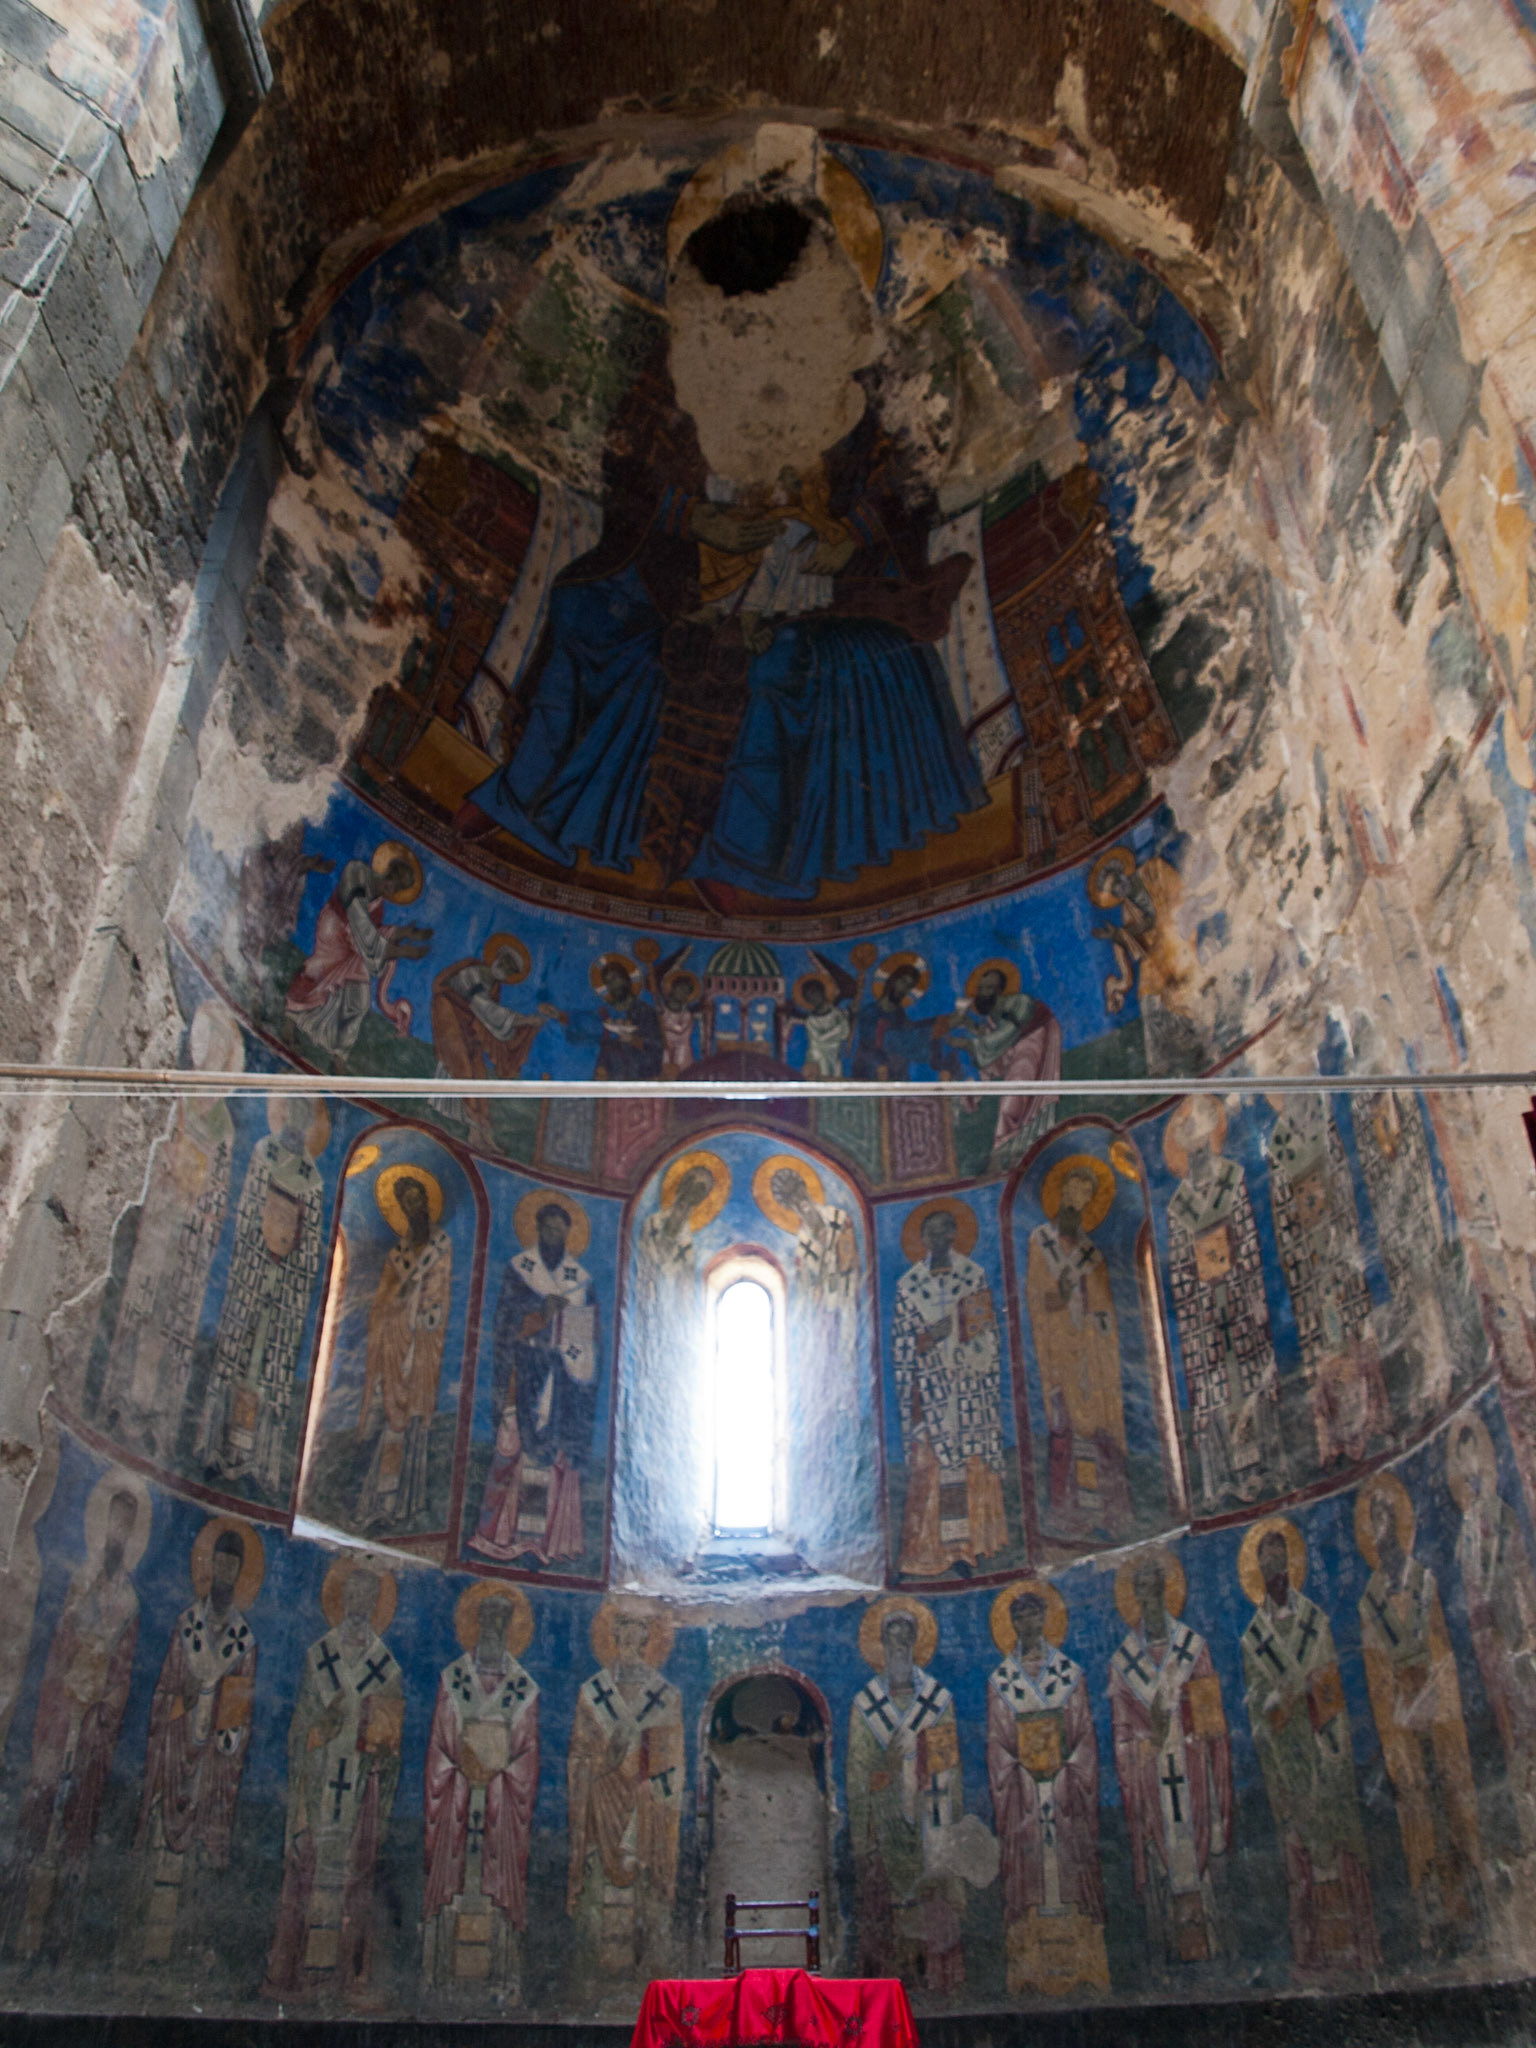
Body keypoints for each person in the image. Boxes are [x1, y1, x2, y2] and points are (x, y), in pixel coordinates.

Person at [452, 185, 981, 900]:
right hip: (690, 567)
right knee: (584, 608)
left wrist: (849, 535)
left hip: (825, 585)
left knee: (782, 662)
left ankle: (745, 859)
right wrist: (696, 520)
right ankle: (529, 800)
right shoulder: (676, 370)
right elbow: (629, 470)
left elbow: (907, 483)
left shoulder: (863, 384)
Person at [5, 1482, 143, 1959]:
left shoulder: (131, 1605)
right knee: (36, 1819)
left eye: (128, 1527)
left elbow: (123, 1671)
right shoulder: (78, 1581)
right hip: (60, 1718)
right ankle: (11, 1932)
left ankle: (56, 1947)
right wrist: (65, 1705)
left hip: (91, 1734)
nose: (118, 1535)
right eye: (115, 1523)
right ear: (103, 1525)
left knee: (77, 1830)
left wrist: (102, 1709)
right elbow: (56, 1651)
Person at [1238, 1521, 1379, 1979]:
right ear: (1258, 1569)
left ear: (1291, 1563)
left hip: (1323, 1750)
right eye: (1267, 1559)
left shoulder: (1315, 1621)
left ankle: (1359, 1951)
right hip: (1286, 1758)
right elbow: (1255, 1704)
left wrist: (1328, 1742)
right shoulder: (1252, 1640)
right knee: (1298, 1857)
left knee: (1338, 1847)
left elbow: (1331, 1685)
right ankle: (1312, 1959)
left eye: (1281, 1556)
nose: (1275, 1566)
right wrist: (1273, 1707)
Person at [263, 1564, 404, 2005]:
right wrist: (320, 1727)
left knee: (351, 1881)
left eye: (368, 1596)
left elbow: (389, 1749)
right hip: (317, 1788)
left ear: (376, 1604)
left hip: (358, 1790)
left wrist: (380, 1752)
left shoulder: (386, 1668)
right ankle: (294, 1977)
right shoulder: (317, 1656)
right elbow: (299, 1729)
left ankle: (343, 1979)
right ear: (342, 1599)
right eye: (354, 1594)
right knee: (307, 1874)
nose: (359, 1604)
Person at [1356, 1476, 1484, 1952]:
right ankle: (1434, 1924)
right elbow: (1374, 1671)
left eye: (1387, 1519)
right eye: (1375, 1523)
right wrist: (1400, 1713)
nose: (1382, 1531)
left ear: (1402, 1525)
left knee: (1456, 1803)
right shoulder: (1368, 1602)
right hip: (1403, 1728)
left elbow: (1442, 1648)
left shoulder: (1425, 1582)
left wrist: (1434, 1695)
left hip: (1438, 1712)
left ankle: (1474, 1910)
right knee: (1416, 1814)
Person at [135, 1522, 260, 1963]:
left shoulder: (245, 1642)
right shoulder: (185, 1626)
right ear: (209, 1568)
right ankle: (143, 1953)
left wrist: (225, 1738)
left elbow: (239, 1712)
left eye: (233, 1566)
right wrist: (179, 1702)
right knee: (160, 1857)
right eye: (220, 1563)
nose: (225, 1573)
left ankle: (185, 1957)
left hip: (211, 1765)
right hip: (176, 1754)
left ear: (241, 1573)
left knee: (198, 1866)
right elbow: (163, 1691)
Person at [1107, 1552, 1231, 1971]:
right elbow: (1121, 1736)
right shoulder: (1123, 1664)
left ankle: (1214, 1946)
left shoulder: (1193, 1649)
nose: (1149, 1596)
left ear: (1166, 1590)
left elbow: (1212, 1721)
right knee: (1164, 1864)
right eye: (1141, 1589)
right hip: (1152, 1780)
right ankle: (1170, 1959)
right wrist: (1146, 1747)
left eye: (1155, 1587)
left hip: (1193, 1770)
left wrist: (1187, 1738)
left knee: (1200, 1862)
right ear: (1134, 1598)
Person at [986, 1581, 1108, 1997]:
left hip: (1063, 1792)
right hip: (1025, 1798)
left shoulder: (1070, 1675)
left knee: (1072, 1869)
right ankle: (1030, 1971)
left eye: (1035, 1614)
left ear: (1046, 1618)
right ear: (1012, 1624)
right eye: (1019, 1616)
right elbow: (997, 1748)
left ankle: (1084, 1965)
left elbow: (1086, 1738)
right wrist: (1025, 1776)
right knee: (1029, 1875)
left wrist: (1063, 1774)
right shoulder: (1001, 1681)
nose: (1028, 1622)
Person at [200, 1100, 327, 1495]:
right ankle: (215, 1447)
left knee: (269, 1370)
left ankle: (258, 1459)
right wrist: (261, 1251)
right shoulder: (263, 1154)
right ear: (284, 1116)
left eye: (303, 1121)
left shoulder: (314, 1180)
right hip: (254, 1276)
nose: (295, 1126)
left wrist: (289, 1262)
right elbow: (249, 1209)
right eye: (293, 1117)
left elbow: (311, 1245)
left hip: (284, 1288)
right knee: (237, 1357)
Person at [1164, 1099, 1284, 1511]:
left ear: (1212, 1142)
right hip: (1205, 1317)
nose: (1197, 1151)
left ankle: (1263, 1468)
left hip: (1239, 1300)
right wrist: (1199, 1292)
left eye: (1202, 1142)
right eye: (1191, 1146)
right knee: (1215, 1392)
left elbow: (1249, 1237)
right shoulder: (1178, 1206)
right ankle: (1222, 1482)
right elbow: (1179, 1267)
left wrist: (1236, 1278)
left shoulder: (1232, 1179)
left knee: (1250, 1378)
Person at [423, 1589, 539, 1998]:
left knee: (497, 1892)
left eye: (500, 1621)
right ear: (475, 1624)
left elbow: (527, 1759)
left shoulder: (523, 1688)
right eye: (486, 1619)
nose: (492, 1628)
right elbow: (438, 1747)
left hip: (499, 1812)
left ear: (509, 1627)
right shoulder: (452, 1679)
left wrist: (497, 1779)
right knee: (453, 1888)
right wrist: (461, 1775)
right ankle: (438, 1982)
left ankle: (501, 1982)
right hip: (459, 1805)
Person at [472, 1199, 600, 1566]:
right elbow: (505, 1321)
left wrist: (570, 1347)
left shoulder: (579, 1281)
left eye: (560, 1231)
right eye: (547, 1229)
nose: (553, 1236)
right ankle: (501, 1534)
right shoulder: (519, 1270)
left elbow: (584, 1341)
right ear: (537, 1229)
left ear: (568, 1236)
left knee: (554, 1458)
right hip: (523, 1374)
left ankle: (548, 1541)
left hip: (559, 1384)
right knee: (514, 1447)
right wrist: (539, 1315)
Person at [848, 1600, 966, 1991]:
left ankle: (937, 1979)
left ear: (916, 1642)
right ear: (881, 1644)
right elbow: (857, 1773)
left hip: (928, 1823)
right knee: (886, 1908)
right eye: (891, 1639)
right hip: (883, 1826)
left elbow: (948, 1765)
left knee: (933, 1900)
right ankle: (890, 1986)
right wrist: (887, 1764)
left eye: (905, 1639)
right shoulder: (865, 1706)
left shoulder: (937, 1700)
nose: (899, 1646)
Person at [1266, 1095, 1386, 1469]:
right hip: (1311, 1267)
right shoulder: (1277, 1147)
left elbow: (1343, 1182)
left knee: (1348, 1322)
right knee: (1324, 1328)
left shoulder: (1323, 1119)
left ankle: (1376, 1418)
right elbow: (1283, 1215)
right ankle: (1331, 1441)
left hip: (1338, 1253)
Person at [891, 1202, 1008, 1576]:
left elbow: (985, 1333)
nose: (937, 1238)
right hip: (928, 1391)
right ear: (921, 1239)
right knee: (931, 1468)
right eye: (931, 1232)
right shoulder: (909, 1286)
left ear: (956, 1235)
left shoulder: (973, 1276)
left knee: (969, 1464)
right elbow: (902, 1343)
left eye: (945, 1230)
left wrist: (959, 1347)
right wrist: (934, 1337)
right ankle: (930, 1551)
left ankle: (970, 1548)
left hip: (968, 1388)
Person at [566, 1606, 683, 1976]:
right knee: (599, 1888)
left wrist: (649, 1789)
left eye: (638, 1631)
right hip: (600, 1806)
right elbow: (577, 1758)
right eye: (624, 1631)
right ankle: (593, 1979)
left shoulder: (666, 1697)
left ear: (649, 1639)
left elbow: (673, 1766)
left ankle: (643, 1974)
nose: (631, 1639)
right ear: (613, 1636)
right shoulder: (592, 1693)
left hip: (644, 1812)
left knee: (644, 1890)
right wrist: (605, 1761)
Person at [1024, 1157, 1131, 1539]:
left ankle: (1105, 1512)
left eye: (1086, 1193)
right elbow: (1037, 1301)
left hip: (1089, 1354)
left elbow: (1104, 1310)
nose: (1078, 1198)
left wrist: (1095, 1328)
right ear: (1060, 1191)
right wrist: (1061, 1295)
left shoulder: (1092, 1256)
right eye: (1073, 1188)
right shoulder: (1040, 1241)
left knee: (1098, 1433)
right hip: (1058, 1354)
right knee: (1064, 1432)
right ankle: (1066, 1516)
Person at [1449, 1416, 1536, 1842]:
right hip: (1494, 1651)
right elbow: (1471, 1599)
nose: (1472, 1473)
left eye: (1475, 1460)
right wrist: (1491, 1641)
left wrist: (1521, 1624)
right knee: (1515, 1732)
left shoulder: (1503, 1516)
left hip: (1523, 1632)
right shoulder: (1464, 1537)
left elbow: (1521, 1572)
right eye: (1464, 1464)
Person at [356, 1169, 454, 1530]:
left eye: (418, 1201)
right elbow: (381, 1301)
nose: (414, 1208)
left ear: (428, 1205)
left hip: (425, 1342)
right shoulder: (396, 1254)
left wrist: (418, 1308)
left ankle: (407, 1501)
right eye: (407, 1203)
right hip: (396, 1341)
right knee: (390, 1419)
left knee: (414, 1420)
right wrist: (397, 1306)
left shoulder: (441, 1245)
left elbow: (440, 1293)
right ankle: (378, 1498)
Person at [284, 842, 432, 1066]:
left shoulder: (379, 904)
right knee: (317, 973)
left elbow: (370, 933)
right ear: (386, 873)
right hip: (334, 930)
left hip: (356, 943)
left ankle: (340, 1056)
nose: (392, 891)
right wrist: (400, 950)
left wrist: (403, 932)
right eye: (393, 883)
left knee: (360, 1000)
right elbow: (361, 926)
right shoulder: (357, 874)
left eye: (398, 889)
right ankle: (288, 1025)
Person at [430, 939, 560, 1144]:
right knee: (462, 1069)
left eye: (510, 969)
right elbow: (487, 1010)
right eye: (505, 962)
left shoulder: (493, 987)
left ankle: (484, 1134)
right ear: (497, 957)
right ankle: (472, 1131)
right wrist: (526, 1020)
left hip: (469, 1032)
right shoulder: (474, 972)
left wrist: (533, 1020)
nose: (505, 969)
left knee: (480, 1077)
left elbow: (492, 1021)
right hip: (451, 1023)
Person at [948, 964, 1060, 1169]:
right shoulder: (993, 1017)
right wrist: (967, 1025)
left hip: (1035, 1039)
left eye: (989, 988)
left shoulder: (1020, 1002)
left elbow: (1007, 1035)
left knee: (1014, 1094)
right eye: (981, 988)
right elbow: (995, 1042)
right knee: (998, 1083)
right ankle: (1010, 1150)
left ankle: (1003, 1153)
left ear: (1000, 990)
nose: (983, 993)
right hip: (1016, 1047)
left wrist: (969, 1044)